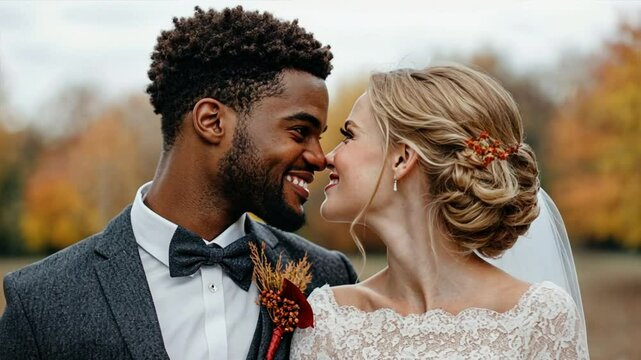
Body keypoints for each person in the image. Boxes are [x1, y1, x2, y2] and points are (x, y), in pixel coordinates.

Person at [0, 6, 357, 360]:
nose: (320, 157)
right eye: (300, 131)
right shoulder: (41, 301)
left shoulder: (328, 280)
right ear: (211, 121)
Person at [290, 64, 589, 359]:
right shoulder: (327, 319)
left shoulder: (539, 318)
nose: (326, 157)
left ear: (402, 158)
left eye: (349, 136)